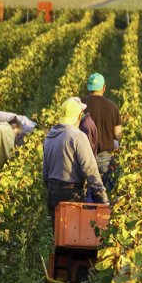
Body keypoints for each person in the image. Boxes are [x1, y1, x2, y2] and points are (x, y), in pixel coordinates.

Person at [43, 97, 108, 227]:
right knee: (74, 238)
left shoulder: (49, 137)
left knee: (59, 238)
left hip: (52, 194)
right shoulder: (77, 136)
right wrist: (102, 198)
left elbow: (45, 174)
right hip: (71, 195)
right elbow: (90, 169)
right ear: (79, 117)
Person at [81, 73, 122, 189]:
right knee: (105, 193)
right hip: (105, 157)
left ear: (88, 88)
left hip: (84, 155)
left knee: (85, 192)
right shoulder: (112, 107)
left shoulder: (80, 105)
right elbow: (117, 135)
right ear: (104, 88)